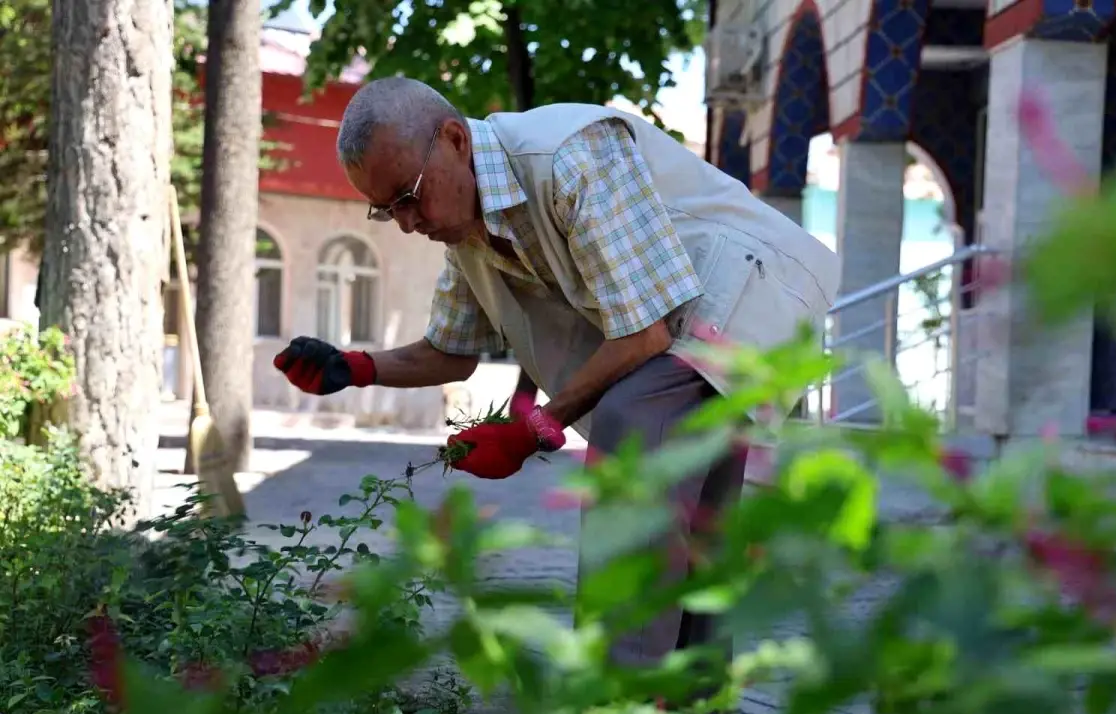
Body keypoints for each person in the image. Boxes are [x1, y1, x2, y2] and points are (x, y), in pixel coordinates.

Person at [272, 76, 841, 676]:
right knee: (698, 534)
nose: (408, 222)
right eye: (387, 211)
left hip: (751, 287)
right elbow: (450, 351)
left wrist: (533, 427)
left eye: (409, 197)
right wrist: (354, 367)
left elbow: (646, 331)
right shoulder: (466, 228)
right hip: (691, 320)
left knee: (634, 424)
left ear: (455, 140)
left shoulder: (570, 155)